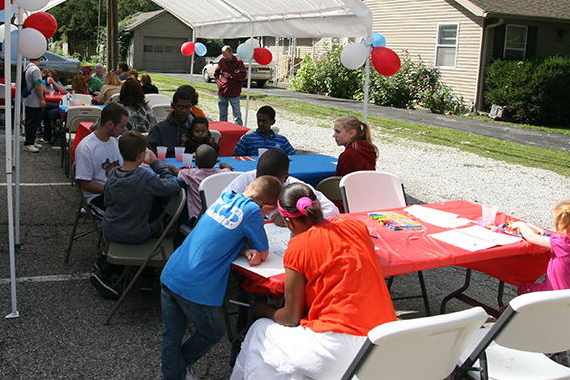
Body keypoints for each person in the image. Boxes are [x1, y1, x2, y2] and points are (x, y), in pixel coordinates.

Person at [230, 183, 396, 380]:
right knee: (287, 359)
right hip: (383, 343)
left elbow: (291, 317)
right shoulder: (356, 226)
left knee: (260, 332)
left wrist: (262, 310)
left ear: (289, 223)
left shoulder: (299, 245)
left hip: (336, 348)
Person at [160, 175, 282, 380]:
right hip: (195, 286)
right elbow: (263, 253)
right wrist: (251, 248)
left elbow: (221, 235)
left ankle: (174, 373)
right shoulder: (252, 210)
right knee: (214, 331)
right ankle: (180, 367)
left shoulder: (225, 196)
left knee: (171, 337)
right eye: (269, 211)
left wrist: (243, 250)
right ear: (266, 205)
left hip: (172, 272)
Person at [90, 131, 181, 300]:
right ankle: (147, 275)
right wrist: (156, 164)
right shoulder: (145, 177)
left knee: (141, 211)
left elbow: (108, 202)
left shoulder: (112, 175)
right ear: (141, 155)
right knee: (158, 219)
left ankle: (109, 272)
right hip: (135, 234)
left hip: (110, 231)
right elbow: (172, 186)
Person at [224, 148, 340, 220]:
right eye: (259, 179)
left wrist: (296, 216)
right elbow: (222, 204)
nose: (265, 186)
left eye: (274, 182)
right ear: (256, 172)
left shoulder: (295, 187)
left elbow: (332, 211)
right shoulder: (246, 179)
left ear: (285, 178)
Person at [512, 199, 570, 294]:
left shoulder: (563, 245)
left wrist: (521, 225)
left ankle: (516, 309)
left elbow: (532, 237)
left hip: (551, 295)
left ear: (565, 229)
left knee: (524, 288)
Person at [75, 103, 129, 216]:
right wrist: (112, 190)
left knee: (152, 204)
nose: (124, 130)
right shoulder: (86, 147)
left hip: (117, 192)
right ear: (110, 124)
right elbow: (85, 184)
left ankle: (144, 232)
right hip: (98, 197)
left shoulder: (117, 140)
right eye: (122, 126)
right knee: (132, 213)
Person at [164, 144, 225, 223]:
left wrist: (161, 164)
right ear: (215, 161)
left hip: (197, 219)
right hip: (219, 217)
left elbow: (175, 170)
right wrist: (222, 165)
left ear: (196, 162)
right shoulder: (223, 173)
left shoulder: (191, 174)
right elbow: (228, 169)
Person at [214, 45, 246, 126]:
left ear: (231, 53)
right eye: (224, 55)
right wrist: (217, 80)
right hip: (223, 91)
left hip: (234, 91)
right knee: (222, 114)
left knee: (237, 114)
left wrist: (231, 76)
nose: (226, 57)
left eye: (227, 55)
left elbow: (243, 76)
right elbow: (216, 72)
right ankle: (223, 128)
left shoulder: (238, 62)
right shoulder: (222, 61)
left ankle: (239, 129)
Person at [22, 57, 45, 153]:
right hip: (34, 100)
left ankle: (31, 140)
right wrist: (42, 99)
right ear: (39, 58)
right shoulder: (35, 69)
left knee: (30, 120)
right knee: (33, 122)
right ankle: (29, 143)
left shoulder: (28, 68)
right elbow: (38, 85)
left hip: (28, 99)